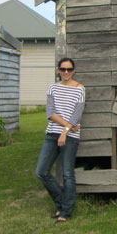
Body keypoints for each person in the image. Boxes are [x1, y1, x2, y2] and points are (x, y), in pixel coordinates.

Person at [35, 57, 85, 224]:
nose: (66, 72)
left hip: (70, 137)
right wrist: (68, 126)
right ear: (58, 70)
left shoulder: (80, 89)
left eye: (69, 69)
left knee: (68, 174)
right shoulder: (52, 88)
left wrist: (65, 132)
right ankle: (62, 203)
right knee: (41, 172)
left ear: (74, 71)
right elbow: (50, 113)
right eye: (63, 69)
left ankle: (66, 212)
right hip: (52, 135)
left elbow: (77, 114)